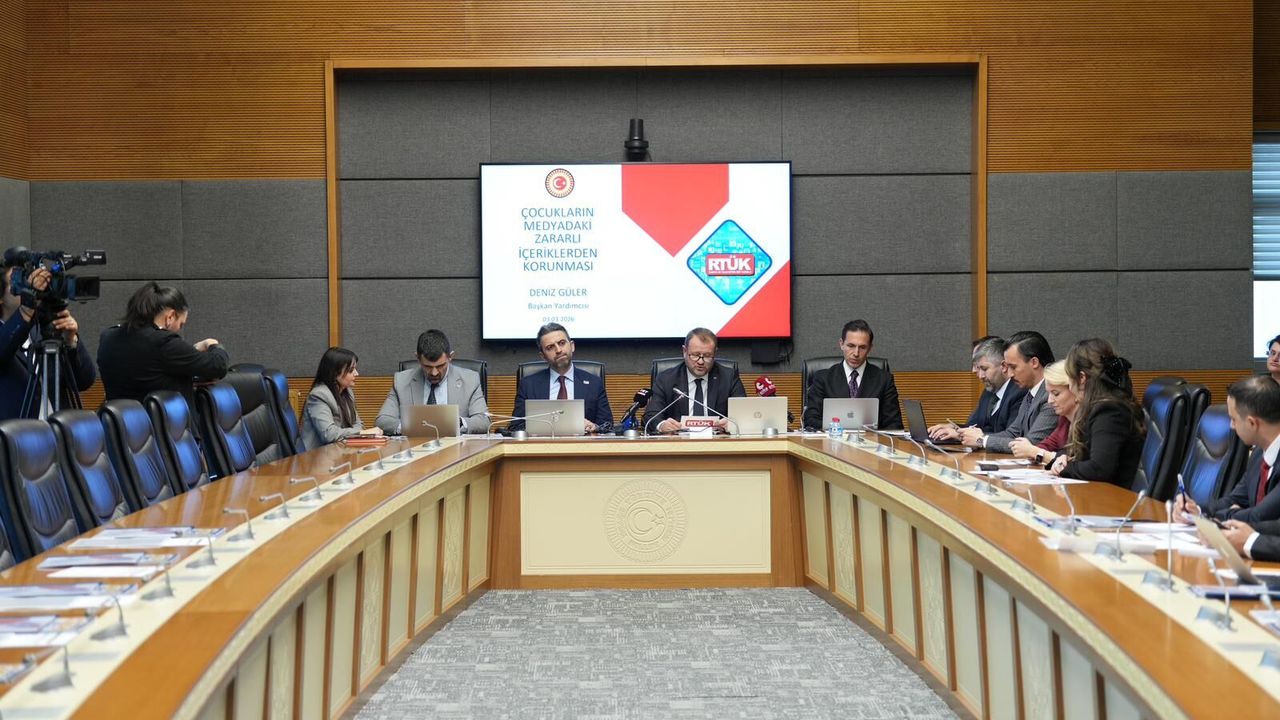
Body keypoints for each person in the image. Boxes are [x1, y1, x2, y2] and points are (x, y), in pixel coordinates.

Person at [96, 281, 227, 406]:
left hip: (119, 420)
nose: (179, 329)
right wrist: (212, 344)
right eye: (181, 324)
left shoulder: (108, 337)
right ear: (170, 316)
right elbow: (218, 366)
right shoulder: (164, 342)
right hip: (163, 421)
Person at [1174, 375, 1280, 524]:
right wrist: (1195, 509)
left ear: (1252, 423)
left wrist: (1227, 515)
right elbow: (1235, 500)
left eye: (1234, 419)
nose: (1231, 426)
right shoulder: (1258, 454)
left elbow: (1259, 517)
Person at [0, 257, 96, 420]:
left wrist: (70, 341)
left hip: (57, 429)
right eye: (20, 282)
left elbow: (84, 381)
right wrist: (26, 311)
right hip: (17, 431)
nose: (31, 287)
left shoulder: (43, 329)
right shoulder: (9, 334)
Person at [1046, 339, 1144, 486]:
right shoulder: (1104, 406)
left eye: (1070, 378)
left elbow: (1099, 468)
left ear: (1082, 378)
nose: (1070, 387)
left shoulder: (1109, 411)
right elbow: (1083, 453)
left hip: (1115, 496)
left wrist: (1066, 468)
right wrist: (1064, 458)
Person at [376, 329, 489, 435]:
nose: (434, 373)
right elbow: (382, 420)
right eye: (428, 366)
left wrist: (458, 423)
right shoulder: (401, 381)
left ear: (450, 357)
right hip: (414, 446)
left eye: (440, 366)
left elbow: (484, 421)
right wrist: (409, 426)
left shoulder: (470, 380)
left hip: (455, 446)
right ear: (418, 358)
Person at [960, 330, 1057, 452]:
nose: (1009, 374)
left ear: (1034, 362)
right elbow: (1013, 433)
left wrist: (982, 441)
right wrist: (979, 438)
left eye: (1013, 367)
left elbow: (1032, 444)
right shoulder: (1031, 393)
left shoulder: (1051, 396)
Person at [511, 322, 612, 433]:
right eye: (550, 347)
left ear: (572, 346)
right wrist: (536, 429)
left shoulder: (594, 383)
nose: (558, 350)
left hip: (583, 443)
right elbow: (515, 427)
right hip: (542, 443)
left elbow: (608, 426)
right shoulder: (528, 385)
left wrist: (594, 427)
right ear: (543, 356)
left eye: (562, 343)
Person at [803, 319, 902, 431]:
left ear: (870, 348)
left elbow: (894, 425)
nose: (856, 353)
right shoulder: (823, 379)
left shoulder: (884, 380)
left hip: (871, 440)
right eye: (851, 346)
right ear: (841, 344)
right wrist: (839, 430)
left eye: (862, 347)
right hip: (832, 439)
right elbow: (810, 420)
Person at [644, 327, 745, 434]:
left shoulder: (729, 377)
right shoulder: (666, 379)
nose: (700, 362)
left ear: (715, 353)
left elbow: (744, 414)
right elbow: (651, 416)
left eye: (707, 356)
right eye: (695, 355)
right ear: (684, 351)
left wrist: (732, 423)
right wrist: (661, 425)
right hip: (678, 441)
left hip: (718, 440)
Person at [929, 336, 1026, 441]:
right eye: (978, 368)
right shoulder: (988, 392)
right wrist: (953, 428)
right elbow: (974, 425)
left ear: (1004, 366)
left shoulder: (1019, 393)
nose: (980, 376)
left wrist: (961, 435)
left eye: (984, 369)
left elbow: (1011, 436)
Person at [299, 347, 382, 450]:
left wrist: (361, 432)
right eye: (351, 370)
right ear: (335, 373)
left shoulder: (347, 392)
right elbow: (329, 434)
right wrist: (362, 433)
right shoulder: (319, 395)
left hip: (339, 452)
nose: (356, 373)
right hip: (317, 456)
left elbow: (357, 423)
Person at [1009, 360, 1074, 463]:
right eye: (1049, 394)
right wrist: (1031, 451)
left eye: (1056, 394)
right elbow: (1048, 444)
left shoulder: (1092, 419)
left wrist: (1036, 453)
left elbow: (1080, 463)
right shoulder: (1064, 419)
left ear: (1075, 389)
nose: (1050, 401)